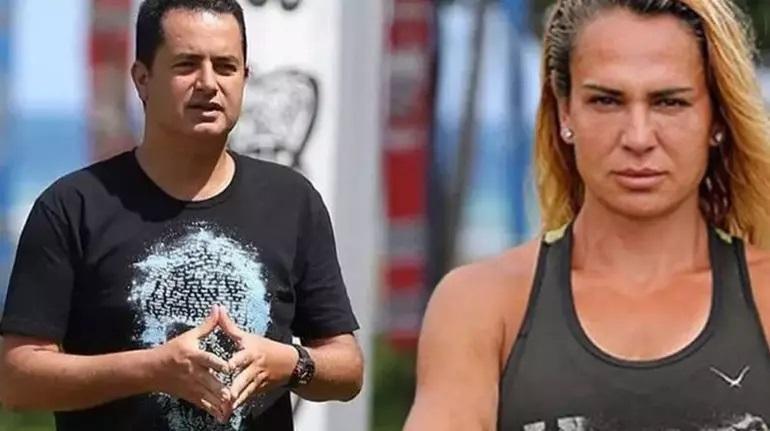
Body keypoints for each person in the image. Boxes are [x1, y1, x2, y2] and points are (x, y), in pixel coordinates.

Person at [405, 0, 770, 429]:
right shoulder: (483, 305)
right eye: (607, 101)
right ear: (565, 111)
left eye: (669, 102)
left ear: (717, 118)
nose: (638, 137)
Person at [0, 0, 363, 430]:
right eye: (187, 65)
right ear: (142, 79)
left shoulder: (292, 200)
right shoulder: (73, 207)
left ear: (245, 78)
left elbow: (347, 366)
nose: (208, 83)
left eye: (225, 67)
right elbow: (16, 379)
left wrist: (289, 362)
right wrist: (153, 368)